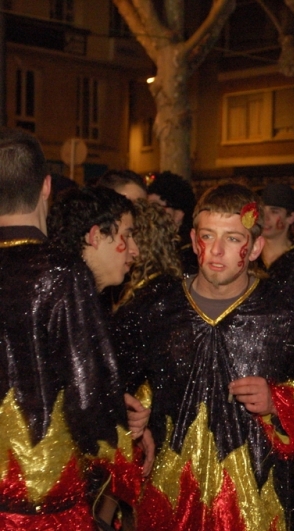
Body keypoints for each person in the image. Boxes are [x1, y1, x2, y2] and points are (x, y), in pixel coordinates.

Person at [114, 184, 294, 531]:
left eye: (232, 239)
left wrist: (278, 402)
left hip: (254, 504)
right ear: (192, 237)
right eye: (207, 235)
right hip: (169, 500)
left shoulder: (284, 310)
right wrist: (134, 419)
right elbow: (112, 379)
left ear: (256, 247)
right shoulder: (154, 306)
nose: (216, 250)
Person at [0, 128, 145, 529]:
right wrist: (118, 447)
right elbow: (87, 391)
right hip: (42, 497)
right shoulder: (61, 273)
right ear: (46, 186)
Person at [146, 171, 198, 275]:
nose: (149, 213)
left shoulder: (188, 254)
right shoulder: (146, 245)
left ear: (179, 214)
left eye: (155, 207)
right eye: (147, 207)